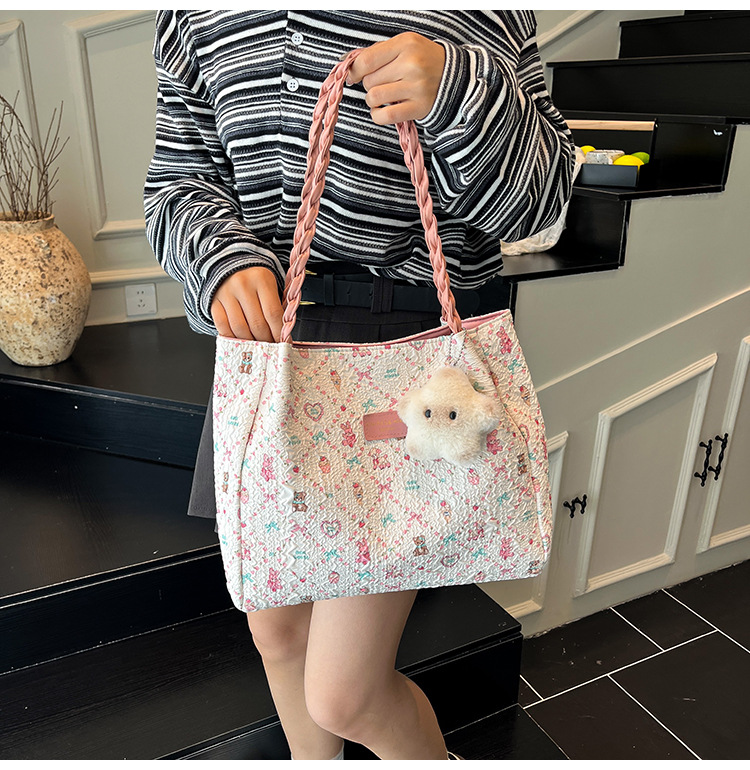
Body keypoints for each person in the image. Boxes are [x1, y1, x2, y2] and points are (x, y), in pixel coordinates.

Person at [144, 11, 574, 761]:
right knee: (278, 631)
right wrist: (218, 257)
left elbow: (541, 203)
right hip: (270, 353)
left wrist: (458, 91)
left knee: (345, 693)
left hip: (404, 354)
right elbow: (179, 177)